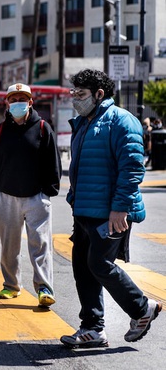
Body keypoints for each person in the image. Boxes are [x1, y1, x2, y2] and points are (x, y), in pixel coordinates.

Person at [60, 69, 161, 348]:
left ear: (99, 94)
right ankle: (92, 328)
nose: (75, 99)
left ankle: (142, 309)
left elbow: (131, 169)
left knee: (98, 264)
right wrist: (73, 198)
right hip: (84, 210)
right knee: (83, 267)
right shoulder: (84, 122)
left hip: (110, 213)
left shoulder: (122, 121)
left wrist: (120, 208)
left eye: (81, 94)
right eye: (74, 93)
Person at [0, 83, 61, 308]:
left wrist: (49, 191)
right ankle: (11, 285)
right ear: (7, 103)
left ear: (30, 102)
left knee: (40, 244)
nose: (18, 102)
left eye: (22, 98)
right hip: (5, 197)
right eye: (13, 98)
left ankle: (44, 288)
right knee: (9, 245)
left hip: (36, 197)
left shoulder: (44, 128)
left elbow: (52, 162)